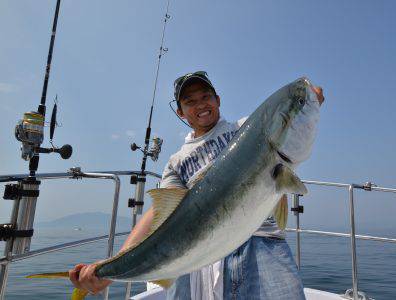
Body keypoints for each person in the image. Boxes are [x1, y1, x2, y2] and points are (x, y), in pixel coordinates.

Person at [69, 71, 324, 299]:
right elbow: (160, 213)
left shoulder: (244, 129)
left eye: (205, 96)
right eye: (190, 102)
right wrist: (114, 264)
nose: (200, 105)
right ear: (181, 112)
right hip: (198, 251)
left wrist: (309, 101)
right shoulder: (176, 162)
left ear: (218, 100)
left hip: (259, 240)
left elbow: (293, 118)